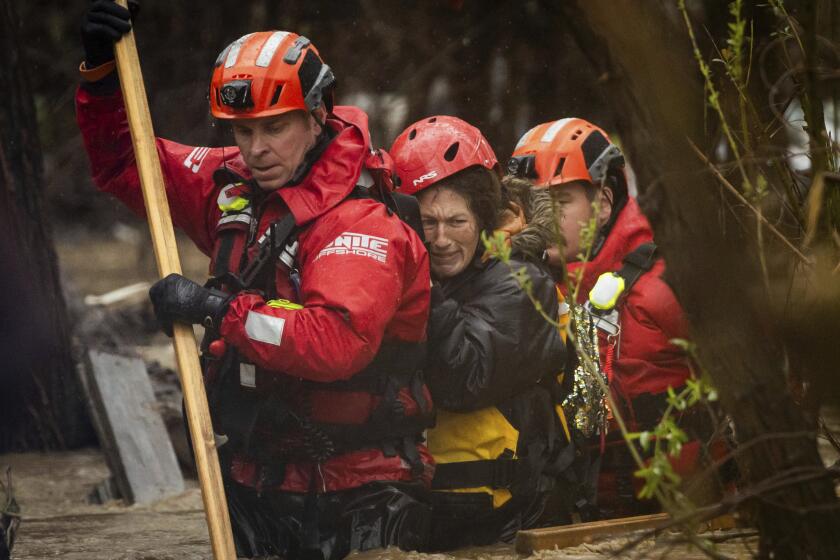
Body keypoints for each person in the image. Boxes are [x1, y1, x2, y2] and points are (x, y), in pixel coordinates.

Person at [77, 4, 434, 558]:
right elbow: (128, 166)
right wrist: (101, 77)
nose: (256, 148)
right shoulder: (234, 185)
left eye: (274, 127)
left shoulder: (363, 221)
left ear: (317, 115)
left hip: (359, 491)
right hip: (255, 480)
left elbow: (336, 343)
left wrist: (215, 310)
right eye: (242, 130)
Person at [509, 118, 721, 518]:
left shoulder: (667, 284)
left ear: (603, 204)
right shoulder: (519, 287)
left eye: (558, 204)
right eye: (530, 205)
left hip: (688, 514)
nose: (541, 221)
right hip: (583, 519)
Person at [390, 116, 570, 549]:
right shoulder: (423, 279)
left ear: (485, 218)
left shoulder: (523, 283)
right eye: (426, 223)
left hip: (509, 522)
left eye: (456, 222)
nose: (439, 239)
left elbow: (464, 377)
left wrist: (418, 281)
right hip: (433, 515)